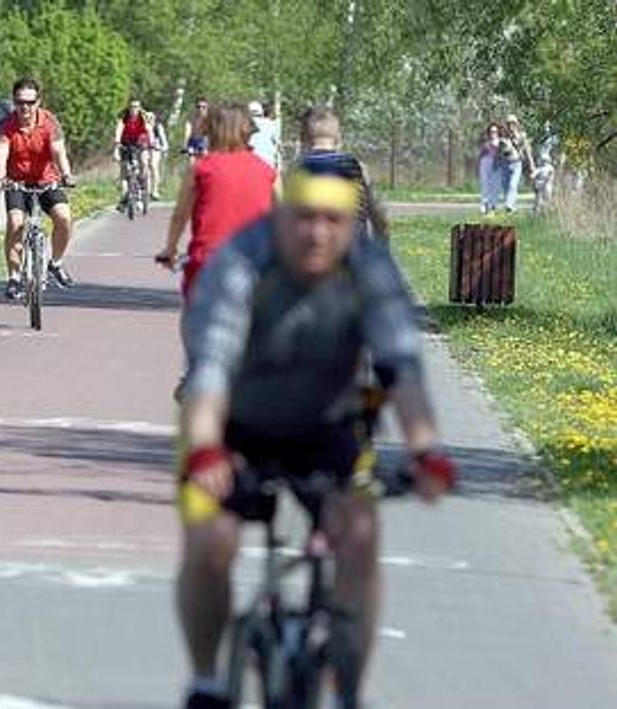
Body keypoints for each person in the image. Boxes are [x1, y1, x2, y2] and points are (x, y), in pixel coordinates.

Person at [175, 159, 456, 709]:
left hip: (327, 425)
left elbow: (400, 365)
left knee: (360, 534)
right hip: (232, 426)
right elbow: (210, 366)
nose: (317, 232)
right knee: (212, 544)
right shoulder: (243, 262)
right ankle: (208, 681)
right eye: (304, 217)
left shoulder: (369, 269)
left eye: (333, 220)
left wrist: (426, 449)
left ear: (353, 224)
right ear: (281, 217)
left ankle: (348, 683)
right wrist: (206, 448)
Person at [157, 102, 275, 298]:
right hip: (254, 263)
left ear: (210, 131)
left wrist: (170, 249)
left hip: (208, 261)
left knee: (202, 322)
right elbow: (285, 218)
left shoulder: (201, 168)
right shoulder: (268, 171)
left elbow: (180, 215)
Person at [0, 76, 78, 299]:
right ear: (14, 102)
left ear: (38, 102)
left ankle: (56, 263)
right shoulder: (6, 125)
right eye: (20, 102)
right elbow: (0, 153)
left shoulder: (49, 122)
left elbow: (59, 152)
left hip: (46, 180)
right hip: (16, 182)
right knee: (15, 223)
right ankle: (13, 277)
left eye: (30, 102)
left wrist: (66, 174)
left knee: (64, 218)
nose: (25, 107)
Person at [299, 106, 389, 243]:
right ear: (339, 139)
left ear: (302, 140)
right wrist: (382, 239)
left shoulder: (299, 170)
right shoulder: (358, 168)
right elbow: (377, 211)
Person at [114, 97, 155, 210]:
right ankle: (124, 197)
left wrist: (152, 142)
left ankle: (142, 186)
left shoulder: (143, 115)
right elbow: (119, 128)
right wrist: (117, 142)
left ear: (139, 107)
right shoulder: (124, 115)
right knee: (124, 169)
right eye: (132, 107)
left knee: (143, 162)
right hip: (126, 141)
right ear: (128, 107)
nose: (134, 109)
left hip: (141, 140)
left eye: (136, 107)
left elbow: (149, 129)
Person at [500, 114, 534, 214]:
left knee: (513, 185)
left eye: (513, 123)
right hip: (505, 164)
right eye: (509, 123)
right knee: (506, 187)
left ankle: (509, 206)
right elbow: (500, 152)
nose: (511, 126)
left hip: (517, 163)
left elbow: (527, 150)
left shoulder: (522, 135)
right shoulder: (503, 136)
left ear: (517, 124)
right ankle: (512, 209)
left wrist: (532, 164)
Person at [247, 100, 280, 172]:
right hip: (268, 163)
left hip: (251, 163)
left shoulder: (244, 125)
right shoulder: (272, 124)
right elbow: (277, 144)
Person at [478, 122, 503, 214]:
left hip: (497, 164)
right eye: (491, 132)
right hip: (485, 163)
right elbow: (481, 154)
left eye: (495, 132)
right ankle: (485, 205)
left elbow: (504, 153)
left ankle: (493, 206)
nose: (493, 134)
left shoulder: (501, 142)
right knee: (485, 185)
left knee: (495, 186)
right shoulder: (486, 143)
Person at [147, 110, 170, 199]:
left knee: (153, 166)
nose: (149, 120)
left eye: (151, 118)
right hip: (144, 149)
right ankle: (146, 190)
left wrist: (163, 148)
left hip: (155, 149)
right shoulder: (142, 127)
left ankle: (155, 190)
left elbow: (164, 141)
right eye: (147, 118)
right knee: (144, 168)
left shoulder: (158, 127)